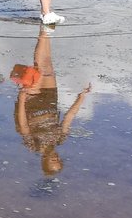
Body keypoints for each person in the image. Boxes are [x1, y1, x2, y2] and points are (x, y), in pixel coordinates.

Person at [13, 26, 91, 174]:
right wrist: (81, 98)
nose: (56, 159)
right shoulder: (60, 139)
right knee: (47, 64)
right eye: (59, 161)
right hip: (50, 100)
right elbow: (68, 118)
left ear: (45, 162)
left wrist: (22, 99)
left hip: (32, 103)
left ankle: (44, 31)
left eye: (53, 162)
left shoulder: (33, 145)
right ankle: (46, 29)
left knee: (38, 67)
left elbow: (23, 125)